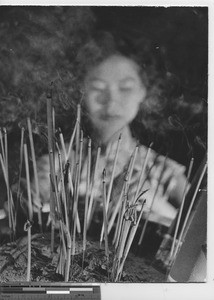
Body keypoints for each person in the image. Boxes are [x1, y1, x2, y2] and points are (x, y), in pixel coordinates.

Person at [2, 31, 187, 237]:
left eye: (125, 88)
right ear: (81, 89)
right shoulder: (60, 163)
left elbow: (200, 232)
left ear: (143, 91)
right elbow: (23, 214)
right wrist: (26, 201)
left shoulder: (162, 171)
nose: (111, 100)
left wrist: (158, 206)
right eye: (98, 87)